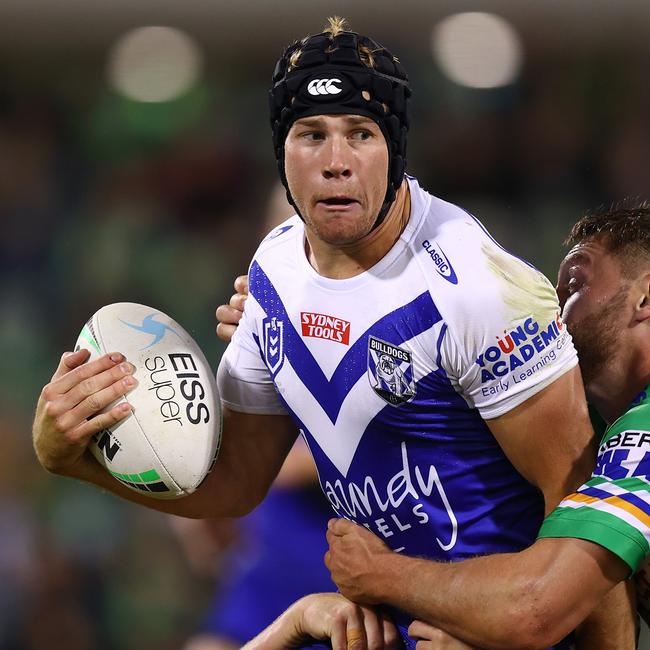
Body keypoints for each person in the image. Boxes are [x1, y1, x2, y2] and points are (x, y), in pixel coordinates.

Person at [31, 17, 626, 649]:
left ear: (396, 150)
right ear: (280, 153)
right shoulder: (274, 270)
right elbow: (237, 481)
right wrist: (74, 462)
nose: (336, 163)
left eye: (360, 134)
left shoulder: (481, 292)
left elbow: (587, 525)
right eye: (310, 135)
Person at [322, 202, 650, 649]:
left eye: (575, 281)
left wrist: (379, 572)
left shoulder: (643, 436)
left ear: (645, 297)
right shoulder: (602, 427)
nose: (552, 303)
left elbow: (535, 608)